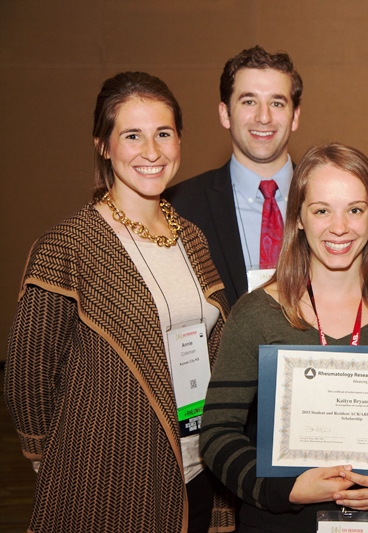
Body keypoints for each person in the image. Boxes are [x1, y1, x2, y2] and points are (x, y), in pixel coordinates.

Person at [5, 72, 234, 532]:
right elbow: (27, 376)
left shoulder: (191, 237)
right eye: (132, 135)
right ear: (104, 146)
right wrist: (54, 461)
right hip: (109, 478)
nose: (152, 152)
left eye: (163, 133)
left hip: (197, 465)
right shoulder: (69, 245)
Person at [200, 143, 368, 533]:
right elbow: (217, 433)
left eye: (354, 210)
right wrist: (285, 489)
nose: (339, 227)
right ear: (299, 218)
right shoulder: (257, 314)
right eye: (322, 210)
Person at [165, 46, 302, 306]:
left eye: (277, 103)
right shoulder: (178, 208)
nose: (264, 117)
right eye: (249, 101)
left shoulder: (328, 201)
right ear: (225, 113)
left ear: (295, 116)